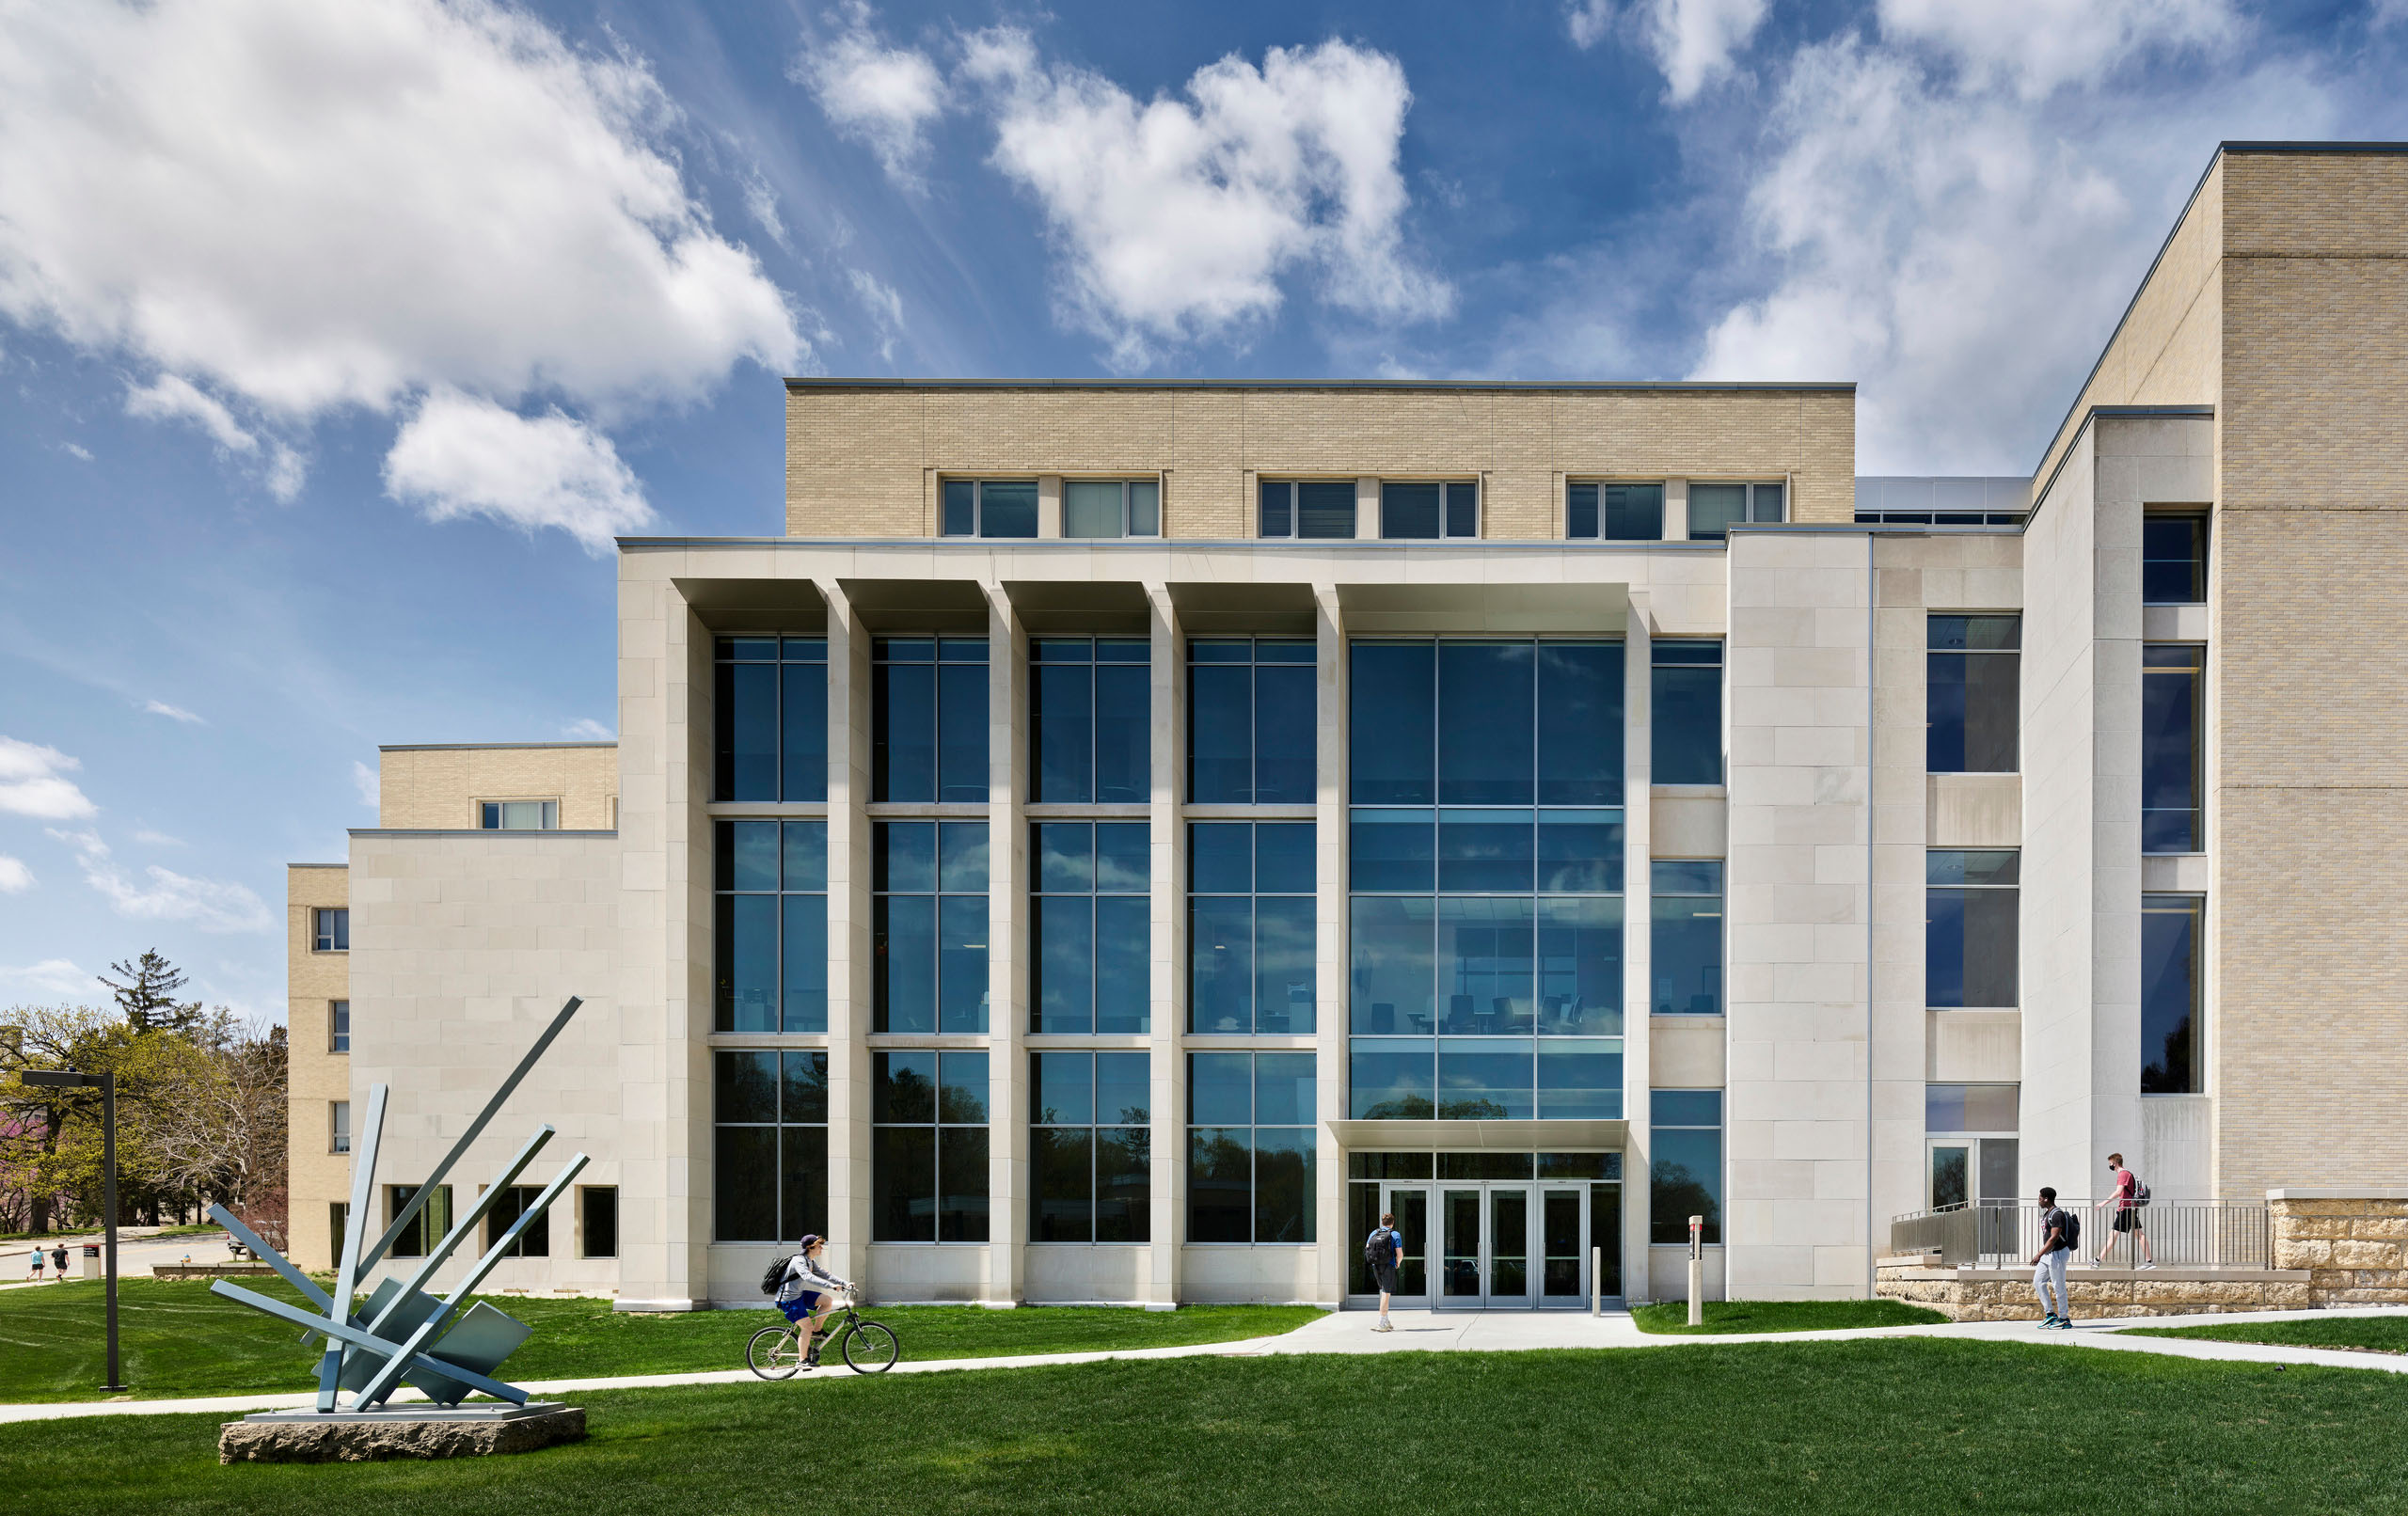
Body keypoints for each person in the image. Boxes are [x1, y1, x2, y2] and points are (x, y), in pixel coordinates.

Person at [773, 1234, 855, 1370]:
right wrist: (831, 1286)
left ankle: (817, 1332)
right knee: (806, 1327)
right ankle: (802, 1360)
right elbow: (808, 1277)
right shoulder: (798, 1261)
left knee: (827, 1301)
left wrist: (845, 1283)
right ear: (810, 1247)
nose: (822, 1248)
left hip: (798, 1295)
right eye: (819, 1245)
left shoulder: (809, 1260)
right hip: (788, 1299)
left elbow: (825, 1274)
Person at [2090, 1153, 2155, 1269]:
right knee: (2138, 1234)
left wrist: (2103, 1203)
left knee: (2114, 1235)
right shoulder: (2127, 1173)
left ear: (2115, 1163)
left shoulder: (2123, 1174)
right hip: (2130, 1208)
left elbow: (2118, 1192)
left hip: (2126, 1208)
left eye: (2110, 1163)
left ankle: (2097, 1260)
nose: (2110, 1165)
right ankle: (2149, 1261)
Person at [2028, 1186, 2075, 1329]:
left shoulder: (2057, 1214)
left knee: (2058, 1285)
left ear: (2047, 1199)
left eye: (2040, 1198)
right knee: (2038, 1281)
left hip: (2058, 1253)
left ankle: (2064, 1318)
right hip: (2048, 1255)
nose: (2039, 1200)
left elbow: (2054, 1238)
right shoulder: (2047, 1214)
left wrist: (2038, 1254)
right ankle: (2050, 1314)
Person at [1364, 1212, 1402, 1332]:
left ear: (1382, 1223)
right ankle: (1381, 1323)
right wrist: (1397, 1264)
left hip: (1376, 1266)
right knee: (1386, 1293)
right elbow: (1400, 1255)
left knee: (1383, 1292)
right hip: (1388, 1266)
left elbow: (1367, 1249)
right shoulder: (1395, 1234)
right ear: (1393, 1223)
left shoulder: (1374, 1233)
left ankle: (1386, 1321)